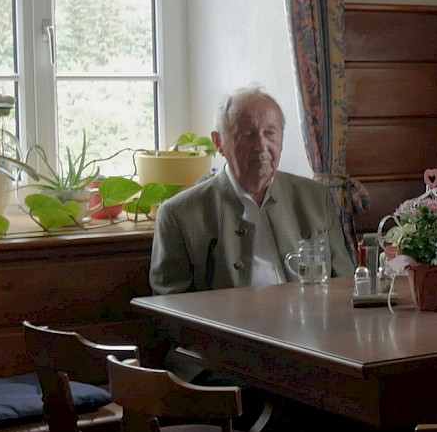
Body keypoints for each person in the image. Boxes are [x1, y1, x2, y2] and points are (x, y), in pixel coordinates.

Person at [149, 84, 355, 378]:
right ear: (219, 142)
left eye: (270, 134)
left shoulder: (314, 198)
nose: (261, 146)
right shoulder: (180, 213)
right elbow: (169, 310)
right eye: (247, 135)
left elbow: (345, 283)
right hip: (222, 360)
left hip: (312, 347)